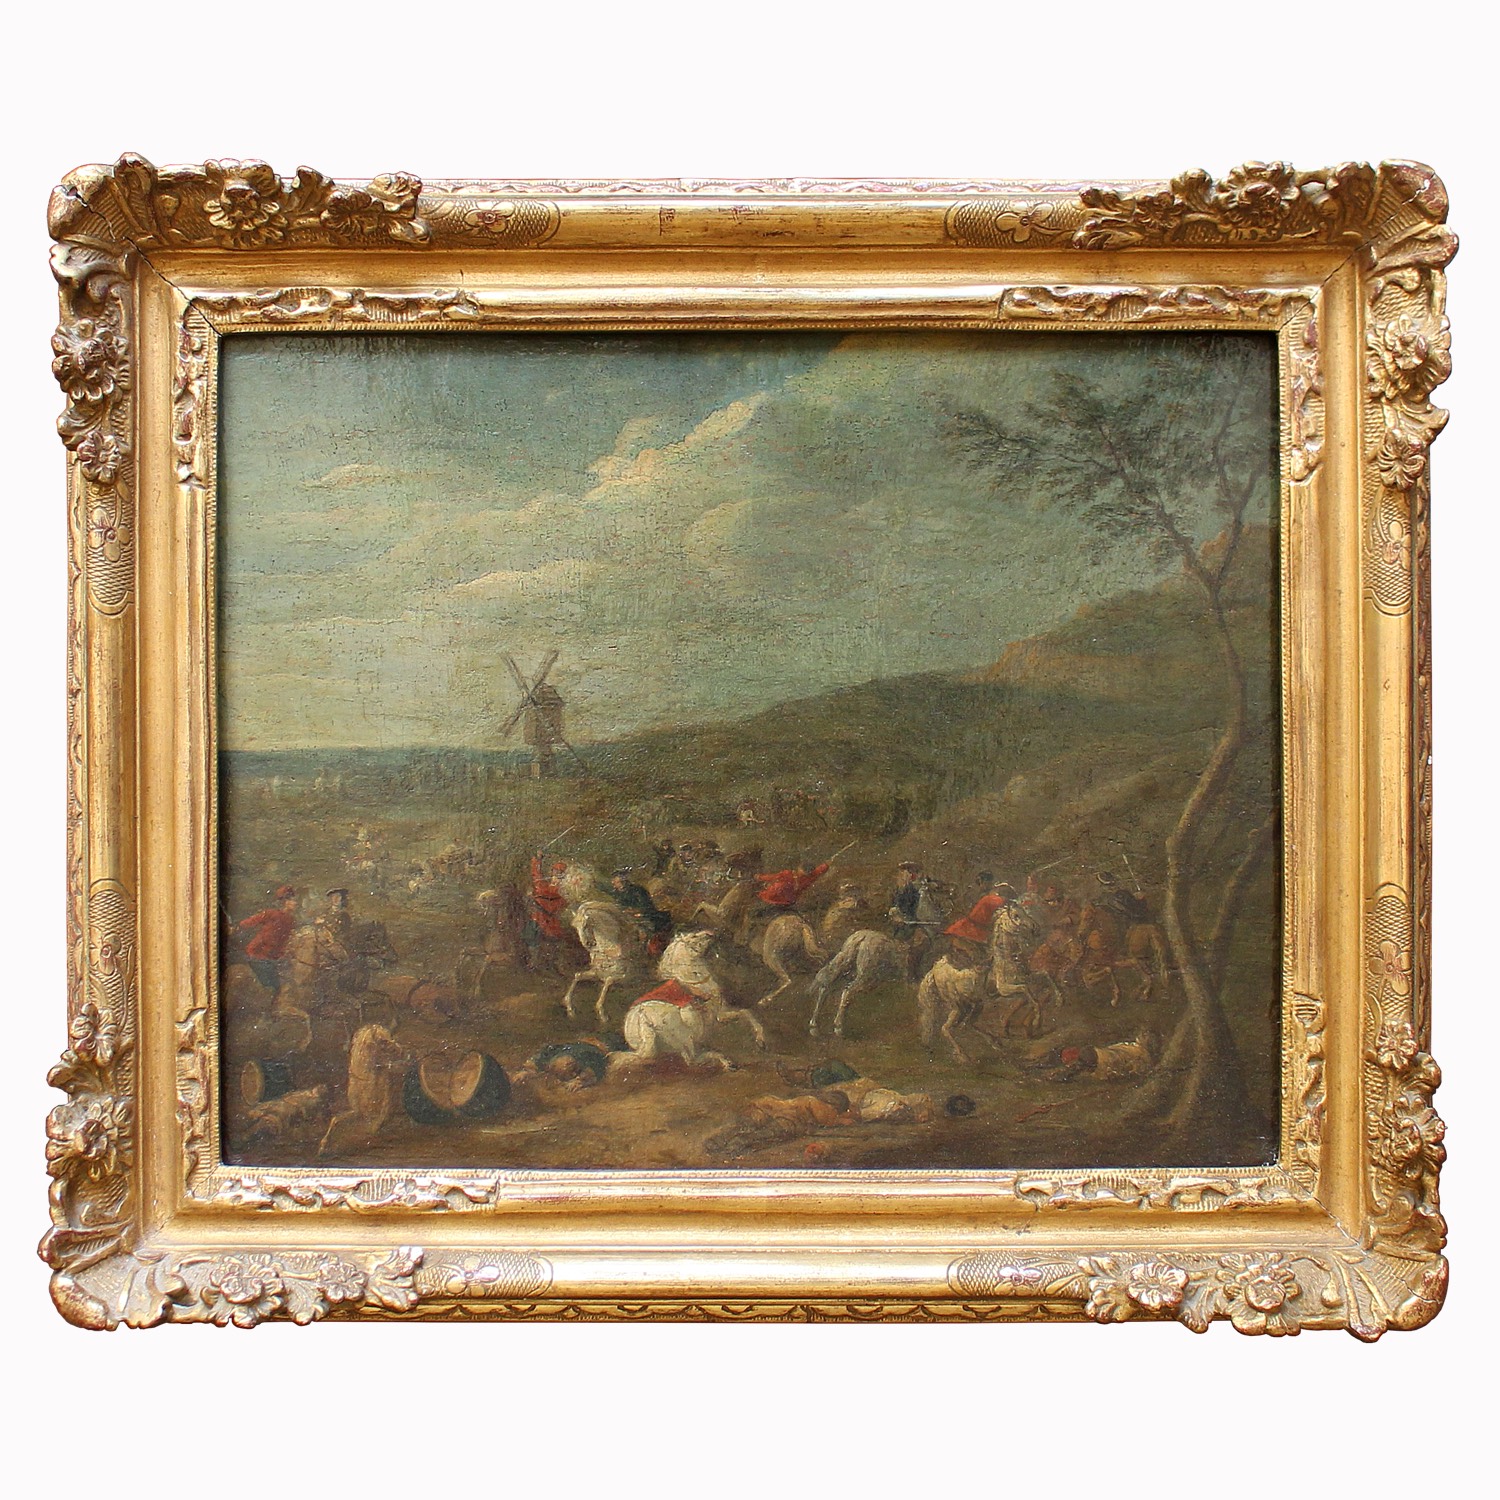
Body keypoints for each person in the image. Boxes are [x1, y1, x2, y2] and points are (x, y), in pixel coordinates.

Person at [1029, 1029, 1163, 1084]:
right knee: (1073, 1063)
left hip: (1099, 1057)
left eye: (1145, 1036)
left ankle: (1043, 1069)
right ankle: (1044, 1069)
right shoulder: (1137, 1049)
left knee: (1075, 1065)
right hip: (1099, 1057)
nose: (1141, 1036)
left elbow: (1132, 1069)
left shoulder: (1140, 1053)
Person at [236, 885, 298, 997]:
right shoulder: (271, 914)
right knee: (272, 987)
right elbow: (248, 922)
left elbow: (287, 940)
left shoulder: (291, 920)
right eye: (293, 900)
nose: (295, 903)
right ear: (285, 902)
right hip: (257, 955)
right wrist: (238, 927)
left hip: (274, 958)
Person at [943, 873, 1007, 967]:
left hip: (982, 928)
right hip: (972, 927)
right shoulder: (976, 895)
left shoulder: (990, 897)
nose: (984, 885)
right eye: (982, 883)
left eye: (987, 882)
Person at [610, 868, 674, 956]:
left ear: (624, 881)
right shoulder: (617, 893)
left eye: (617, 882)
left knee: (643, 932)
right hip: (629, 917)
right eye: (613, 883)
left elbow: (646, 907)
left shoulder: (638, 890)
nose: (614, 885)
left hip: (645, 916)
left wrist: (632, 911)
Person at [525, 853, 569, 968]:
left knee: (538, 934)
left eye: (558, 873)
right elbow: (538, 881)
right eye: (554, 872)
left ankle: (547, 961)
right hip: (539, 917)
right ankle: (534, 958)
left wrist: (537, 861)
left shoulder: (561, 889)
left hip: (548, 920)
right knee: (530, 933)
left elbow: (539, 884)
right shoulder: (549, 886)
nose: (555, 875)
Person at [754, 855, 830, 910]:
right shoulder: (810, 877)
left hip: (773, 898)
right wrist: (826, 865)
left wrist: (760, 877)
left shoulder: (788, 874)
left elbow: (773, 877)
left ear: (800, 868)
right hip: (790, 901)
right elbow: (819, 870)